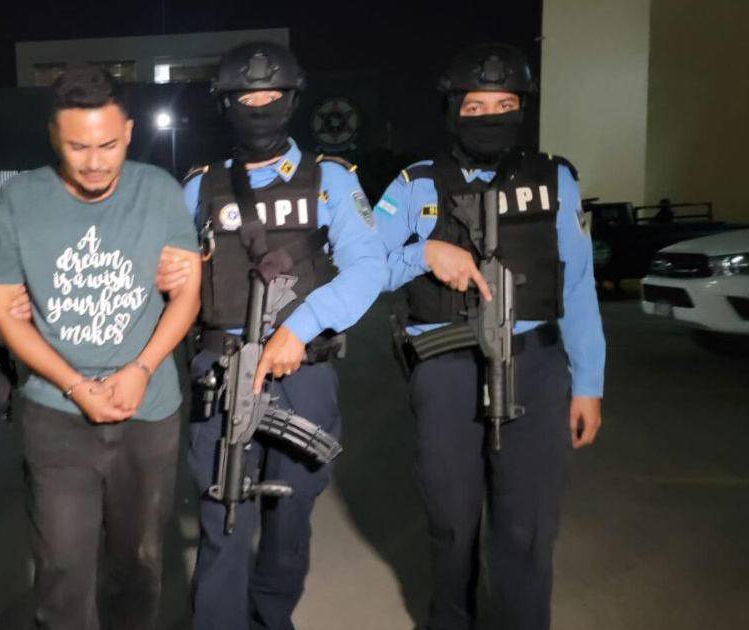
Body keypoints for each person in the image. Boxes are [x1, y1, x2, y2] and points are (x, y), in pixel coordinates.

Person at [374, 43, 605, 629]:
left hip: (536, 367)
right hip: (446, 368)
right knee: (451, 524)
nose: (491, 117)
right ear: (453, 110)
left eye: (504, 105)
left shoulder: (554, 179)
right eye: (476, 106)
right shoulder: (416, 184)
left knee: (527, 529)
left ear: (522, 108)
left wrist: (589, 384)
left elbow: (578, 286)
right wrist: (423, 254)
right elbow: (361, 266)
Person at [172, 42, 386, 630]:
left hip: (303, 371)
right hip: (222, 370)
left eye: (271, 96)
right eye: (247, 98)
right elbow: (172, 280)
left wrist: (300, 329)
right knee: (222, 513)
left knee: (289, 519)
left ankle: (271, 619)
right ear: (226, 105)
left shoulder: (330, 179)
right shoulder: (200, 188)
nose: (260, 107)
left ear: (291, 101)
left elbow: (368, 266)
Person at [0, 64, 201, 630]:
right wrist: (76, 385)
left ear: (128, 131)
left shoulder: (159, 191)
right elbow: (4, 313)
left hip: (148, 410)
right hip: (55, 413)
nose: (95, 161)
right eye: (78, 147)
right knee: (61, 566)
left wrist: (141, 368)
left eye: (108, 145)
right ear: (54, 136)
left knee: (140, 563)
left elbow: (187, 295)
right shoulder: (16, 202)